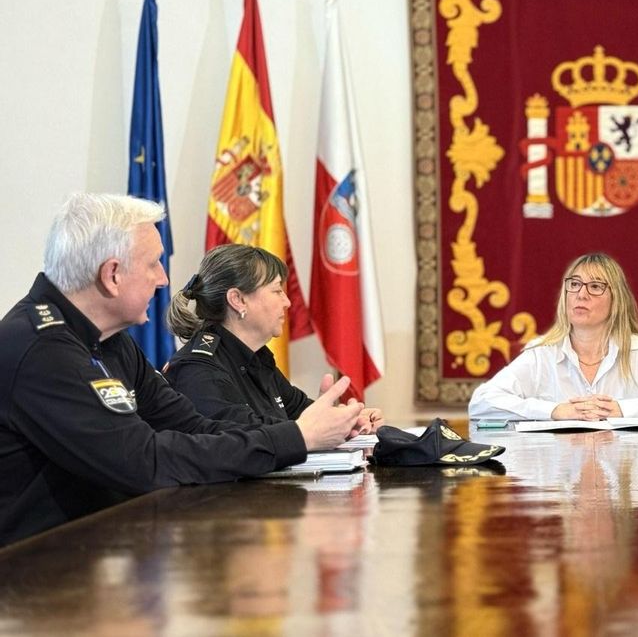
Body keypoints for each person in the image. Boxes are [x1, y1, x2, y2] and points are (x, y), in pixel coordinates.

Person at [0, 194, 363, 545]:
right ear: (112, 275)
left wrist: (301, 436)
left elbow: (191, 426)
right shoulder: (40, 349)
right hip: (31, 576)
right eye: (153, 264)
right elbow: (146, 462)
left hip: (99, 552)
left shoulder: (111, 341)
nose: (164, 280)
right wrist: (296, 438)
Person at [164, 244, 382, 431]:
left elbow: (301, 413)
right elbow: (244, 440)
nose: (287, 302)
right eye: (277, 291)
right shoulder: (198, 370)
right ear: (238, 300)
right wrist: (314, 427)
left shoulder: (256, 359)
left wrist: (347, 420)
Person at [468, 252, 638, 420]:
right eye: (574, 284)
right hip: (558, 483)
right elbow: (481, 402)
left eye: (595, 287)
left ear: (616, 299)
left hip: (627, 476)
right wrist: (554, 411)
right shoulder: (542, 353)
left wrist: (624, 409)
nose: (580, 294)